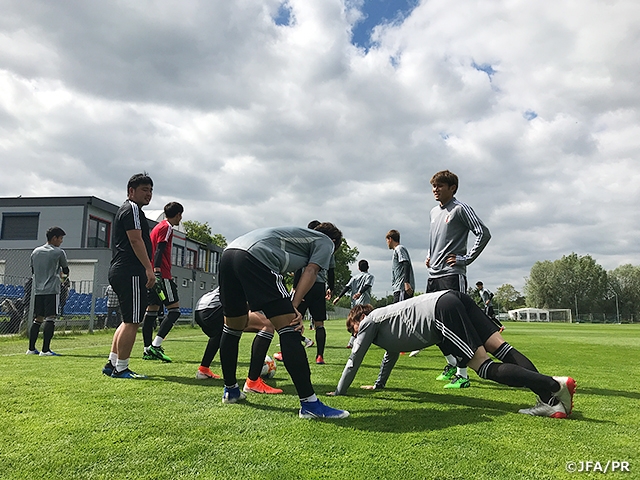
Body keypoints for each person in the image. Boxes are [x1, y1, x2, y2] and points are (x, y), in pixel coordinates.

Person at [330, 291, 576, 419]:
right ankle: (550, 401)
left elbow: (354, 360)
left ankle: (554, 385)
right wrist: (378, 385)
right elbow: (390, 355)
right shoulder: (385, 324)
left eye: (353, 330)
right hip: (452, 298)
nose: (356, 336)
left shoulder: (370, 321)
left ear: (358, 320)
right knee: (501, 348)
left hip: (440, 311)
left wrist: (340, 391)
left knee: (483, 366)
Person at [218, 223, 349, 419]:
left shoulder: (298, 237)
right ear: (333, 243)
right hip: (256, 256)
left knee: (233, 327)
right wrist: (293, 306)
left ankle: (231, 390)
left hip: (228, 254)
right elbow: (312, 271)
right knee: (289, 326)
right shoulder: (325, 242)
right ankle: (310, 404)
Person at [417, 170, 491, 388]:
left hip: (452, 275)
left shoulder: (460, 209)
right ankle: (451, 364)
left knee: (455, 325)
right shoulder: (433, 212)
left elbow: (483, 233)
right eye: (433, 186)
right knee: (432, 325)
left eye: (440, 186)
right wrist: (430, 255)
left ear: (452, 188)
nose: (435, 190)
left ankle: (463, 375)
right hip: (433, 275)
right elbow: (437, 239)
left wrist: (465, 259)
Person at [102, 173, 155, 379]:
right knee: (133, 321)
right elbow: (135, 240)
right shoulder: (131, 208)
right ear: (131, 191)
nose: (148, 194)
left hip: (122, 270)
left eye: (150, 190)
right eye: (144, 189)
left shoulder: (130, 209)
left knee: (127, 320)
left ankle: (112, 363)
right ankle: (121, 368)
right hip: (130, 270)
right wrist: (149, 268)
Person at [194, 286, 282, 394]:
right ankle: (253, 382)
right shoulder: (256, 271)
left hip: (201, 308)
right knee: (267, 325)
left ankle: (203, 370)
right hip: (214, 309)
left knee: (224, 330)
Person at [141, 201, 184, 362]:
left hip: (151, 273)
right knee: (175, 311)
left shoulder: (157, 227)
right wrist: (158, 270)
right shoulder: (167, 227)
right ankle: (156, 345)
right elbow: (160, 248)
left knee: (151, 312)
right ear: (178, 214)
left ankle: (147, 349)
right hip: (162, 275)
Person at [26, 226, 69, 356]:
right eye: (60, 238)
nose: (61, 241)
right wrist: (63, 281)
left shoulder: (35, 251)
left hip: (38, 290)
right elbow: (65, 270)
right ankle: (45, 350)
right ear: (54, 238)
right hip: (52, 289)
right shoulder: (59, 252)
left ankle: (31, 349)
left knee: (38, 319)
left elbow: (33, 270)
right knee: (50, 318)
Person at [333, 259, 375, 348]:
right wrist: (360, 293)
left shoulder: (354, 278)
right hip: (364, 305)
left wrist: (338, 297)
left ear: (359, 268)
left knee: (354, 322)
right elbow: (367, 285)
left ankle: (351, 342)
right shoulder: (370, 276)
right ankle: (356, 341)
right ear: (368, 267)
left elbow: (347, 287)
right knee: (365, 323)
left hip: (354, 304)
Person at [386, 230, 414, 303]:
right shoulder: (396, 250)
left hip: (402, 288)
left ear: (390, 239)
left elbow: (406, 263)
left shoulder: (399, 248)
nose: (387, 243)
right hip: (398, 288)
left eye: (387, 240)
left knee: (401, 312)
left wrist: (406, 283)